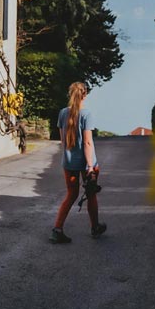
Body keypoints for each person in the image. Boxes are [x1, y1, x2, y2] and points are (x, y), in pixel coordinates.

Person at [49, 82, 107, 244]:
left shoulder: (62, 113)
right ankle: (95, 227)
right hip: (87, 163)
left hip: (69, 163)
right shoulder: (86, 114)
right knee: (91, 194)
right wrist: (90, 167)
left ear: (70, 94)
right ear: (85, 95)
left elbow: (63, 141)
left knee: (71, 194)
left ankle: (57, 229)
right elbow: (88, 143)